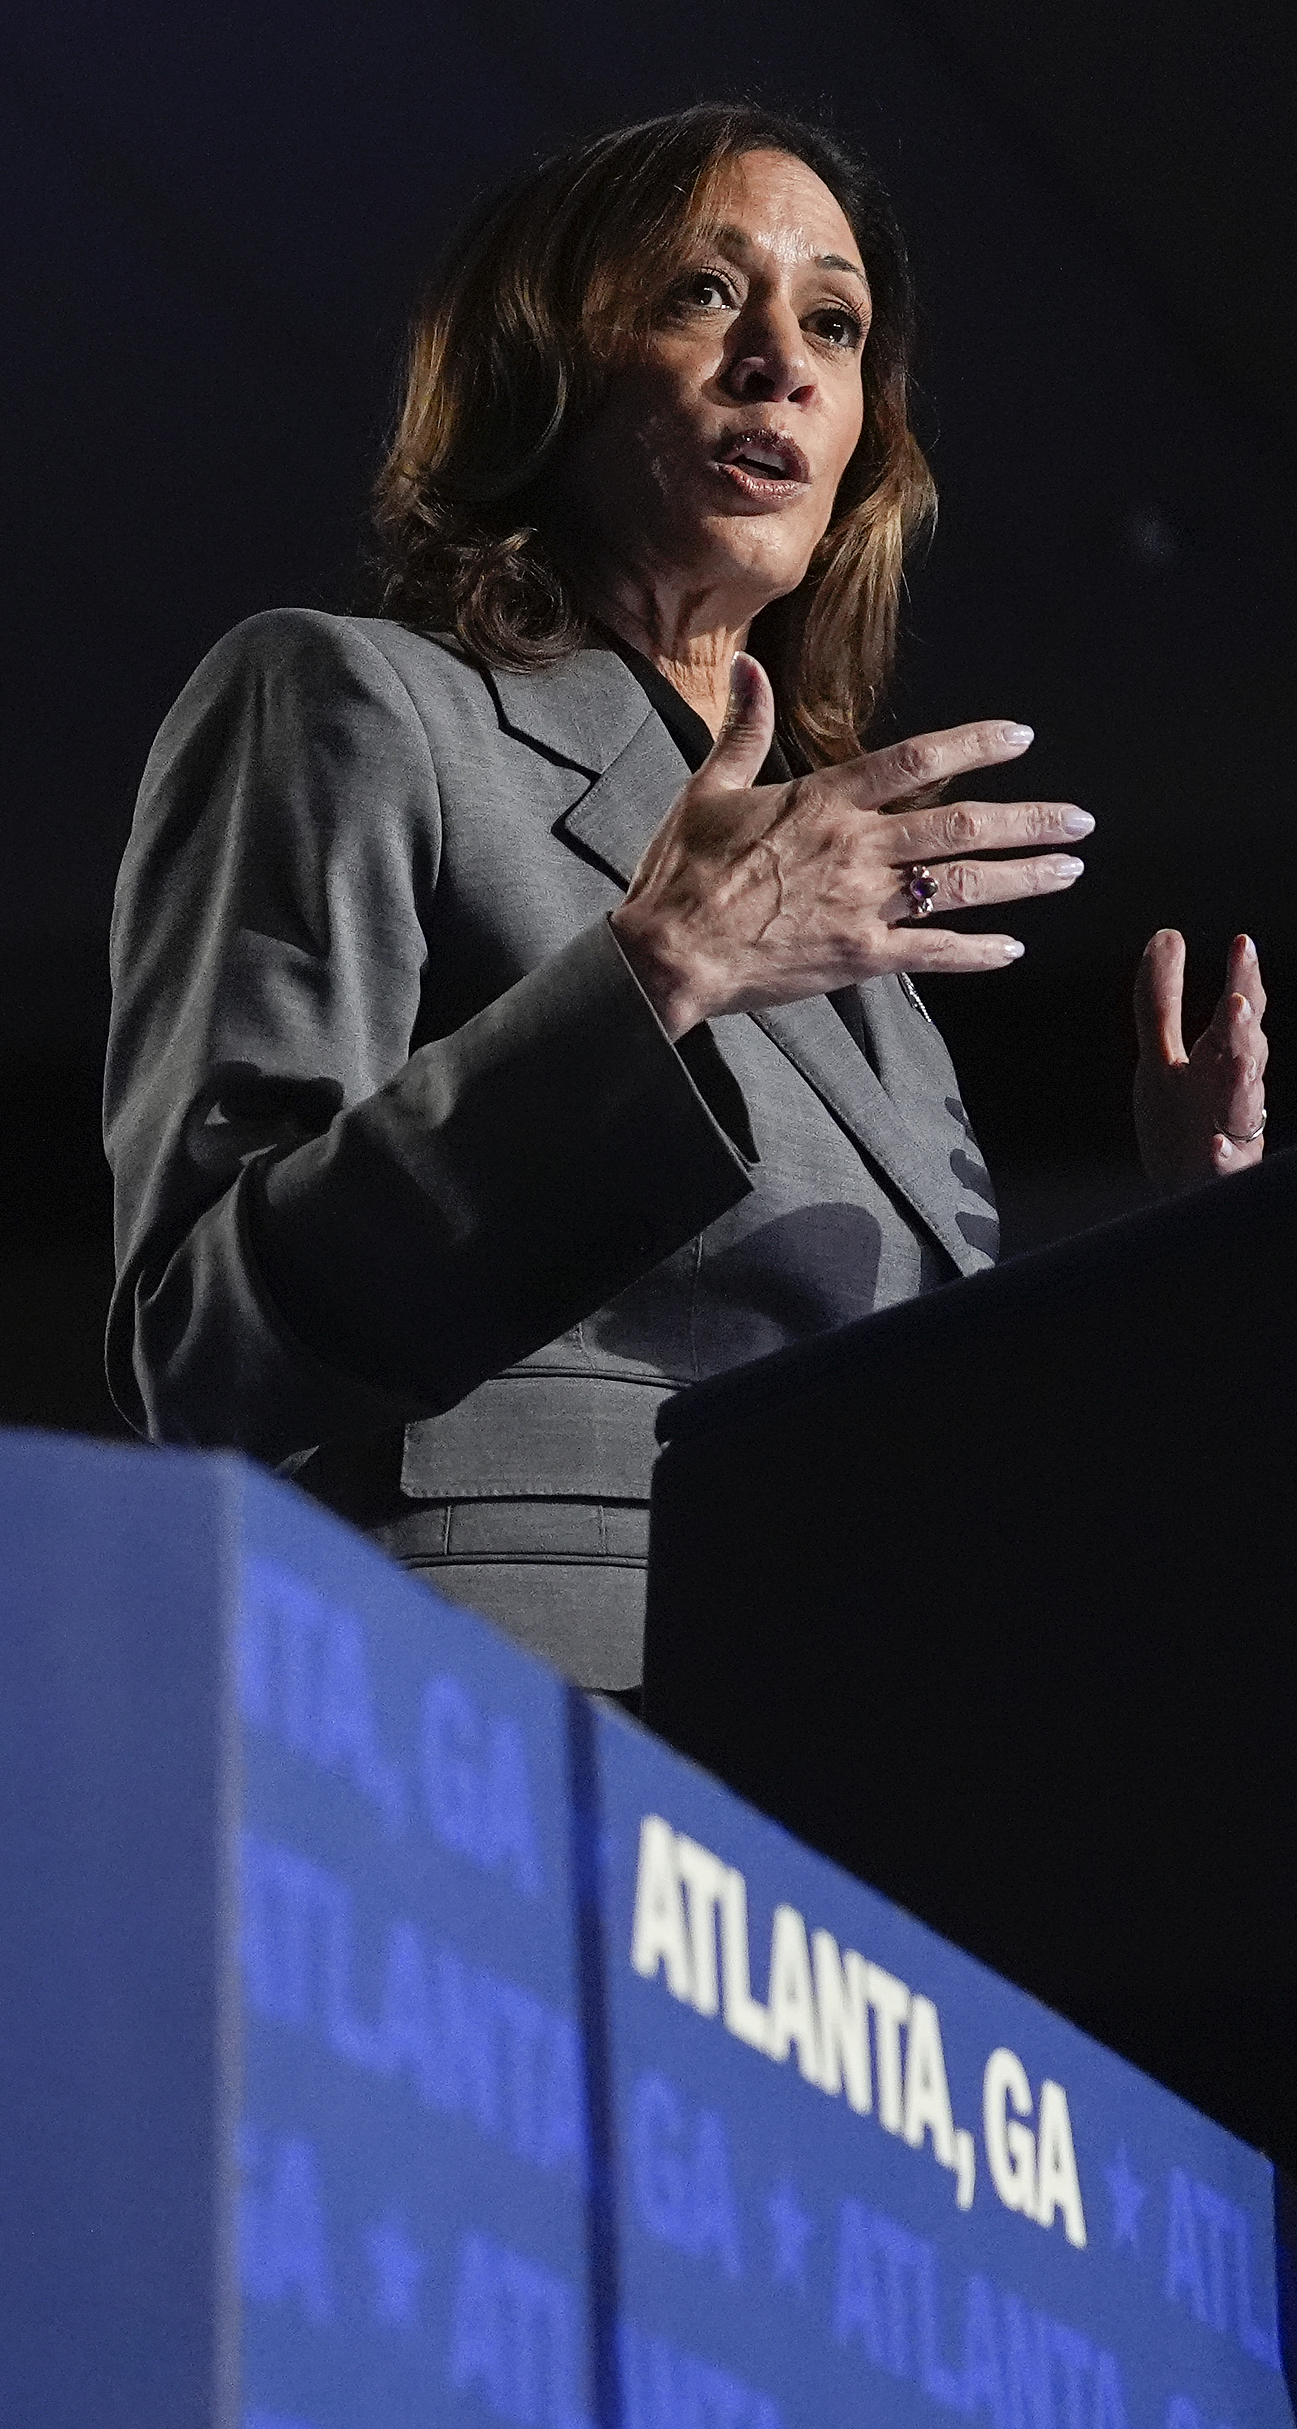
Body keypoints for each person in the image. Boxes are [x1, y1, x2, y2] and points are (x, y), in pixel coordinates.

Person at [101, 102, 1270, 1696]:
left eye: (836, 323)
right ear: (542, 363)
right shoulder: (354, 706)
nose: (781, 359)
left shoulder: (845, 910)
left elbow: (945, 1445)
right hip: (510, 1719)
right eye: (705, 294)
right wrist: (655, 976)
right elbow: (204, 1350)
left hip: (853, 1781)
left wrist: (1191, 1265)